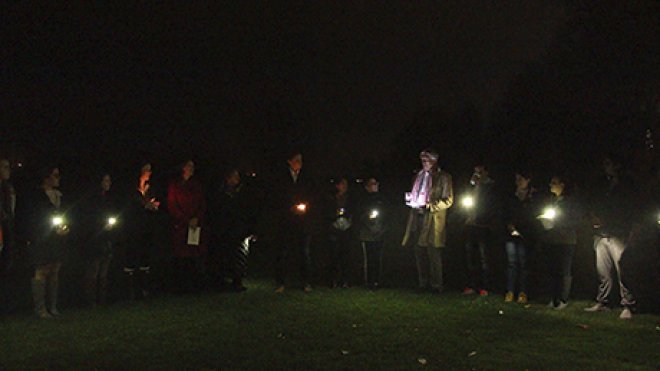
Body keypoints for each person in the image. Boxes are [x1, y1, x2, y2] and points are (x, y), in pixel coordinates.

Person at [584, 155, 638, 319]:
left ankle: (628, 304)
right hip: (601, 233)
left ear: (617, 165)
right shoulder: (603, 184)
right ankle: (603, 301)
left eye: (608, 163)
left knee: (623, 269)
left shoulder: (626, 184)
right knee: (603, 270)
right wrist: (593, 217)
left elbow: (630, 207)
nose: (605, 166)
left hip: (618, 232)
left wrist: (631, 229)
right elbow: (593, 202)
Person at [402, 148, 453, 294]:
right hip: (417, 216)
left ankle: (437, 284)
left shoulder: (443, 177)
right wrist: (411, 200)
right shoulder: (418, 175)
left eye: (427, 160)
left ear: (434, 161)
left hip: (432, 218)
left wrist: (431, 206)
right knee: (419, 250)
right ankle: (422, 282)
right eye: (422, 160)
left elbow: (448, 200)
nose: (424, 163)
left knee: (433, 251)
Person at [26, 167, 69, 318]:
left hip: (56, 237)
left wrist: (64, 227)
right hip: (42, 237)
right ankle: (40, 309)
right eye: (55, 175)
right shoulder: (37, 196)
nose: (58, 178)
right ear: (46, 178)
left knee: (55, 270)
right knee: (42, 270)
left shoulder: (59, 195)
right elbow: (35, 217)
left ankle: (53, 307)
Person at [272, 151, 314, 293]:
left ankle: (306, 282)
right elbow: (278, 196)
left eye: (301, 160)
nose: (299, 163)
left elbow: (311, 195)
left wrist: (304, 207)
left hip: (303, 222)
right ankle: (280, 282)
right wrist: (291, 207)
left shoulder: (306, 177)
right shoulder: (281, 177)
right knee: (282, 253)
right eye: (296, 160)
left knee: (304, 252)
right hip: (286, 221)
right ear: (289, 161)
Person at [210, 169, 258, 292]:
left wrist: (250, 229)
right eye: (233, 177)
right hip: (225, 228)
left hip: (239, 229)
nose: (236, 179)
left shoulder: (242, 193)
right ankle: (221, 280)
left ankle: (238, 280)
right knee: (224, 255)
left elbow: (248, 211)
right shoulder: (221, 193)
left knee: (240, 256)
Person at [540, 174, 581, 310]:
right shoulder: (553, 200)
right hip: (552, 239)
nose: (550, 185)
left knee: (563, 270)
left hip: (566, 240)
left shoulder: (570, 202)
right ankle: (553, 297)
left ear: (562, 185)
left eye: (554, 183)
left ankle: (563, 299)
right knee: (552, 269)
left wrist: (557, 223)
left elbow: (574, 221)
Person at [167, 160, 208, 293]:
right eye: (188, 166)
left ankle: (193, 285)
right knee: (181, 255)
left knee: (194, 255)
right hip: (181, 225)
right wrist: (185, 219)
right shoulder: (175, 185)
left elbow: (202, 203)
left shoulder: (196, 185)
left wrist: (196, 218)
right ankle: (180, 286)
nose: (191, 169)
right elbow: (172, 206)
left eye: (193, 166)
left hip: (194, 226)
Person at [502, 171, 541, 304]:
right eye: (516, 179)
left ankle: (523, 292)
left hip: (526, 233)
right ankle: (510, 291)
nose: (518, 182)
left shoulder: (532, 196)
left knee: (524, 264)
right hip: (511, 233)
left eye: (520, 179)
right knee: (512, 263)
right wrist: (510, 226)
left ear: (527, 180)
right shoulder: (512, 195)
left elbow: (532, 214)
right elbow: (506, 212)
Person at [82, 173, 120, 306]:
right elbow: (89, 218)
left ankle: (102, 299)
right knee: (94, 269)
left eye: (109, 180)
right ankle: (91, 300)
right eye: (105, 180)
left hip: (106, 238)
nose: (107, 183)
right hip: (95, 238)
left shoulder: (109, 198)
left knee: (103, 270)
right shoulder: (92, 199)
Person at [124, 162, 160, 300]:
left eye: (150, 170)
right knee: (132, 257)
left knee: (145, 257)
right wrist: (145, 205)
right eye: (146, 170)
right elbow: (133, 205)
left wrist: (153, 205)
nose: (149, 173)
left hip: (146, 228)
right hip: (133, 228)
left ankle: (144, 290)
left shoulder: (150, 188)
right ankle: (130, 292)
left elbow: (153, 204)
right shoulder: (132, 190)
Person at [461, 164, 498, 296]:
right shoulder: (472, 187)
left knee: (484, 257)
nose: (477, 175)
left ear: (486, 173)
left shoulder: (490, 188)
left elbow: (491, 207)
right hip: (471, 225)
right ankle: (472, 284)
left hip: (483, 226)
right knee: (471, 256)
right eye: (475, 172)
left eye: (480, 172)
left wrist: (481, 219)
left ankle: (485, 286)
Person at [358, 177, 388, 290]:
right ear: (366, 187)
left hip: (380, 232)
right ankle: (369, 281)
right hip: (368, 232)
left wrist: (381, 228)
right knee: (369, 257)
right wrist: (369, 224)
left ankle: (377, 281)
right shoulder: (363, 199)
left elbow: (386, 214)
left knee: (378, 257)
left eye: (376, 183)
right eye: (372, 184)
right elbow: (361, 214)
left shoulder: (382, 199)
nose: (375, 186)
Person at [324, 177, 353, 288]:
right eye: (342, 184)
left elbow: (353, 211)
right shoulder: (331, 198)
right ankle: (333, 279)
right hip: (334, 228)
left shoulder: (349, 198)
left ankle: (345, 279)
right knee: (333, 255)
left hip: (346, 227)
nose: (344, 186)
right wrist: (334, 215)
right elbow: (326, 212)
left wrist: (349, 219)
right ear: (337, 186)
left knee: (345, 255)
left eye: (345, 184)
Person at [0, 158, 17, 313]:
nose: (8, 170)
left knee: (6, 266)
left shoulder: (8, 188)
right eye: (4, 167)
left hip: (7, 230)